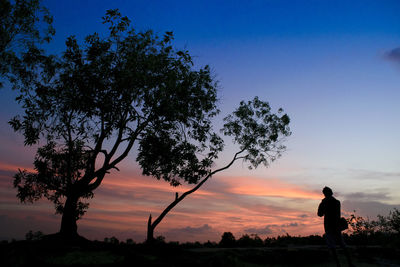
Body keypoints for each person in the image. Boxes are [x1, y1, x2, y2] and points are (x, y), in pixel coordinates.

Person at [318, 186, 354, 267]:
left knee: (333, 247)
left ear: (324, 194)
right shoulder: (337, 202)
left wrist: (323, 204)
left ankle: (338, 265)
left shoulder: (324, 203)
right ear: (331, 193)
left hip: (328, 226)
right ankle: (350, 263)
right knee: (343, 245)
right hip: (336, 226)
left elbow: (319, 214)